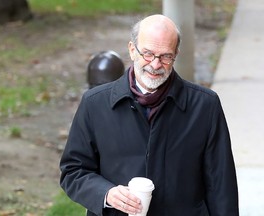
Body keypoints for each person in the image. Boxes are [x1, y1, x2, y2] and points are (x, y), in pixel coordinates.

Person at [59, 14, 239, 216]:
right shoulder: (94, 104)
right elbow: (73, 171)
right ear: (131, 50)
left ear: (176, 55)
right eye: (148, 54)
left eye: (165, 56)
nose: (155, 65)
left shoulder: (206, 105)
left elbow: (221, 185)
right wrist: (106, 193)